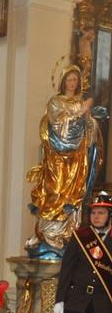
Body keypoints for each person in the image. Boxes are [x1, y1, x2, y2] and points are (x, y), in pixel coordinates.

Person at [26, 65, 106, 258]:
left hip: (77, 158)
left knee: (73, 193)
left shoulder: (80, 102)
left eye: (75, 80)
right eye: (69, 79)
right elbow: (56, 124)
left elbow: (89, 129)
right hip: (57, 155)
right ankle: (49, 234)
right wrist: (79, 113)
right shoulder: (56, 102)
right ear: (63, 82)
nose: (72, 83)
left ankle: (67, 233)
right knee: (55, 190)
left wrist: (89, 119)